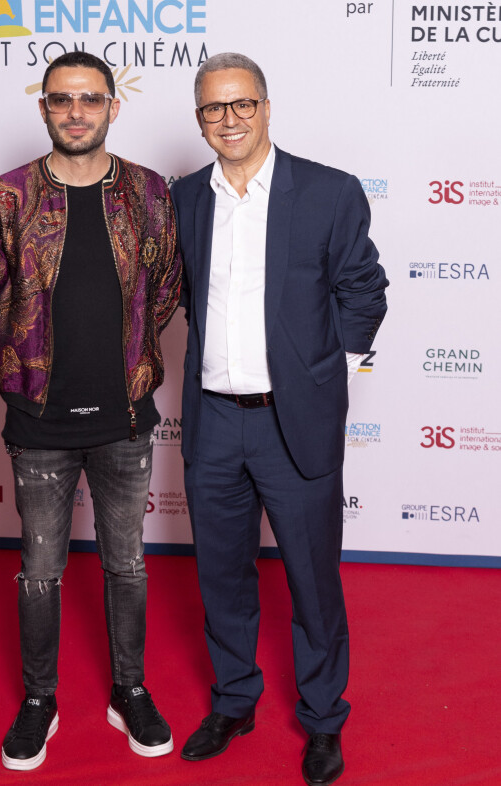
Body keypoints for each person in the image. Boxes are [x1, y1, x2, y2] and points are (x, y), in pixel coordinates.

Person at [171, 52, 388, 786]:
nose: (228, 120)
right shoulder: (184, 199)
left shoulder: (328, 192)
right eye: (212, 108)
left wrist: (328, 376)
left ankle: (324, 720)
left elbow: (365, 290)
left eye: (242, 105)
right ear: (198, 118)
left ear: (266, 107)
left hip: (293, 423)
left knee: (311, 580)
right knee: (220, 576)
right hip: (211, 422)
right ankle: (235, 700)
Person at [0, 51, 181, 771]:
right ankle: (39, 700)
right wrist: (27, 360)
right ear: (45, 109)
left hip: (124, 419)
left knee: (128, 566)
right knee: (40, 570)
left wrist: (131, 359)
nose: (77, 111)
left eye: (91, 98)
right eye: (63, 100)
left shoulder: (149, 192)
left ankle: (131, 689)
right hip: (40, 423)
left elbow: (168, 286)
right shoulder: (9, 197)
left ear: (114, 107)